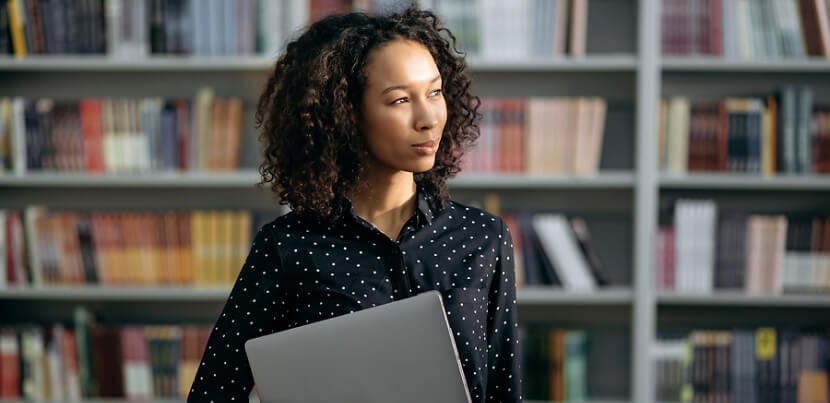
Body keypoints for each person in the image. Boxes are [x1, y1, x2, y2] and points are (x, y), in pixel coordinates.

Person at [188, 5, 521, 402]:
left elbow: (504, 390)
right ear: (346, 114)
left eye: (434, 92)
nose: (429, 118)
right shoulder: (287, 247)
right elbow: (213, 393)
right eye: (400, 100)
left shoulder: (483, 238)